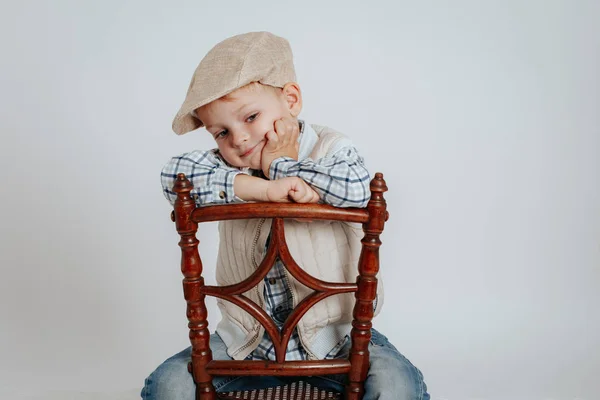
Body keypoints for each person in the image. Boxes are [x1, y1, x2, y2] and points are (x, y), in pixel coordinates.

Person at [142, 31, 429, 400]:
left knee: (396, 386)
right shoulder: (226, 168)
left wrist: (282, 165)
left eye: (251, 117)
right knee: (167, 385)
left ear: (290, 99)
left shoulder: (330, 149)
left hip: (337, 339)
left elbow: (357, 187)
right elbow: (173, 176)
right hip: (248, 342)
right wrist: (263, 189)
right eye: (221, 132)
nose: (240, 139)